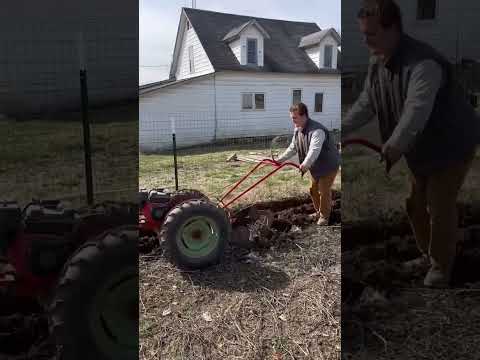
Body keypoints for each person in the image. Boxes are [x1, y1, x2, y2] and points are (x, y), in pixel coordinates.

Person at [343, 0, 480, 287]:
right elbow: (367, 102)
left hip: (452, 144)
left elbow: (415, 112)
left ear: (393, 29)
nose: (365, 40)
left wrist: (394, 144)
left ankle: (442, 269)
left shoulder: (423, 65)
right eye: (363, 33)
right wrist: (339, 130)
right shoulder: (377, 61)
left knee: (439, 204)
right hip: (422, 150)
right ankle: (430, 254)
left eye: (371, 33)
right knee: (415, 205)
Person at [276, 102, 340, 225]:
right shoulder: (298, 129)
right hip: (315, 167)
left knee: (323, 190)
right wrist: (280, 160)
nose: (293, 121)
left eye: (295, 118)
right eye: (292, 118)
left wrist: (305, 163)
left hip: (328, 166)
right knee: (313, 190)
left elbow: (314, 150)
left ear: (304, 115)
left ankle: (324, 217)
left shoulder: (317, 131)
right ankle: (318, 211)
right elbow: (292, 148)